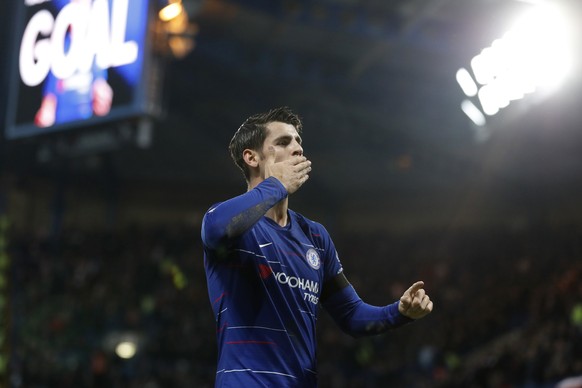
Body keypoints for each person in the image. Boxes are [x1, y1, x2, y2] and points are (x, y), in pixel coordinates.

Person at [201, 106, 433, 387]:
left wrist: (399, 312)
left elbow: (352, 316)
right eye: (284, 142)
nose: (297, 149)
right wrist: (276, 185)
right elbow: (214, 228)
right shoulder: (234, 227)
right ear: (251, 157)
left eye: (299, 142)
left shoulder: (315, 236)